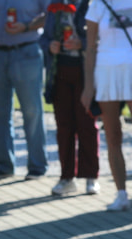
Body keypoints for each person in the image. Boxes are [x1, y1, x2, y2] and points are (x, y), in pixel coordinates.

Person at [0, 0, 49, 181]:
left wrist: (26, 26)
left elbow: (51, 15)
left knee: (32, 111)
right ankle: (3, 166)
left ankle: (37, 166)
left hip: (27, 52)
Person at [42, 0, 99, 197]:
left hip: (84, 72)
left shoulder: (91, 5)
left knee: (87, 124)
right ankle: (66, 177)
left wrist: (81, 43)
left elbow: (100, 39)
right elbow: (43, 39)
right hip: (60, 72)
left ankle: (91, 176)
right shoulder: (54, 6)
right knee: (64, 127)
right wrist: (50, 45)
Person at [81, 0, 131, 211]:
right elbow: (90, 48)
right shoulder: (97, 5)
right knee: (113, 135)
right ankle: (121, 194)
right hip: (106, 72)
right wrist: (88, 87)